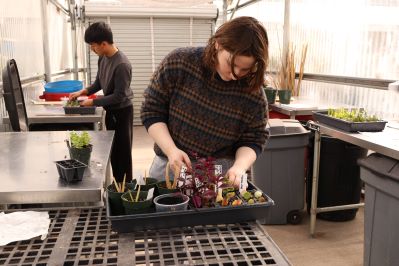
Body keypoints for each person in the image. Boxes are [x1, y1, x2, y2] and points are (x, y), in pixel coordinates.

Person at [141, 16, 269, 187]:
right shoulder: (180, 62)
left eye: (245, 69)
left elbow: (255, 137)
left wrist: (239, 167)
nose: (236, 74)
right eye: (231, 64)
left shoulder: (253, 92)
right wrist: (171, 150)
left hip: (220, 174)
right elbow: (152, 110)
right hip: (171, 163)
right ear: (218, 44)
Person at [69, 22, 133, 182]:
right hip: (111, 111)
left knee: (123, 153)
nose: (92, 49)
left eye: (93, 46)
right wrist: (83, 92)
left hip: (122, 112)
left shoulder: (122, 65)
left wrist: (92, 102)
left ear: (104, 44)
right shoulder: (103, 58)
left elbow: (119, 96)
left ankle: (125, 189)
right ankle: (117, 186)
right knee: (113, 151)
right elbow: (99, 83)